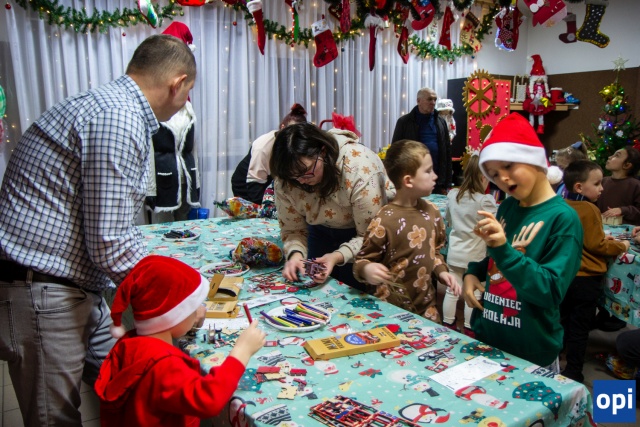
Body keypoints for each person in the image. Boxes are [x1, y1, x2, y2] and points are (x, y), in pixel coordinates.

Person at [0, 35, 197, 426]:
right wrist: (182, 297)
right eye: (188, 92)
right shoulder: (119, 117)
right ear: (177, 83)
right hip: (44, 291)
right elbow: (110, 243)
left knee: (129, 381)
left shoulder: (107, 105)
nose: (186, 102)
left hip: (75, 286)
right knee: (54, 419)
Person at [462, 112, 583, 369]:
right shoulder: (508, 207)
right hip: (490, 338)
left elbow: (550, 290)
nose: (502, 178)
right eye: (494, 174)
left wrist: (503, 249)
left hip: (531, 351)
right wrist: (473, 273)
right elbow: (496, 260)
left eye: (508, 165)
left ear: (534, 160)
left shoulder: (563, 219)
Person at [95, 255, 266, 426]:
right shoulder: (164, 365)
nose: (199, 310)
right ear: (173, 316)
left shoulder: (130, 343)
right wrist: (242, 351)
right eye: (192, 307)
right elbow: (209, 399)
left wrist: (187, 319)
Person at [269, 122, 394, 292]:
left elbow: (369, 236)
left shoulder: (359, 168)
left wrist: (336, 256)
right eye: (293, 177)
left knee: (357, 292)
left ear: (323, 151)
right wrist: (295, 254)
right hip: (319, 231)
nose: (301, 181)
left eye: (307, 171)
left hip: (361, 236)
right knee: (318, 290)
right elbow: (292, 229)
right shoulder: (286, 178)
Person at [353, 140, 460, 321]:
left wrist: (442, 271)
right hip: (389, 311)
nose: (435, 176)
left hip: (427, 308)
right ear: (408, 181)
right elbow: (362, 260)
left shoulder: (433, 212)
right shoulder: (384, 219)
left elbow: (435, 252)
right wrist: (367, 269)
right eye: (428, 171)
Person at [560, 160, 629, 383]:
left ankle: (556, 358)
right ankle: (573, 372)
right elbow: (597, 246)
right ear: (579, 187)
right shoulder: (590, 208)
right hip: (586, 278)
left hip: (565, 276)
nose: (602, 188)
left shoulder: (562, 204)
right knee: (580, 327)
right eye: (597, 184)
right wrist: (621, 246)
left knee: (563, 319)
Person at [147, 22, 201, 223]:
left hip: (185, 179)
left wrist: (196, 181)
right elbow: (149, 152)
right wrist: (150, 190)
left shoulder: (188, 109)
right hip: (162, 181)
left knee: (187, 228)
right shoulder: (153, 108)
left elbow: (192, 149)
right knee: (161, 229)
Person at [443, 154, 497, 335]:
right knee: (473, 293)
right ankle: (469, 328)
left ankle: (448, 324)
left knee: (452, 291)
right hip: (475, 255)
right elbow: (494, 226)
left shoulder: (453, 195)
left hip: (455, 252)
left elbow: (448, 220)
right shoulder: (485, 200)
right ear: (483, 177)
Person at [231, 104, 308, 204]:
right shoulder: (263, 146)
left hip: (267, 179)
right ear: (282, 127)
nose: (293, 137)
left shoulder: (295, 144)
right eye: (290, 132)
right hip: (246, 184)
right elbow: (255, 182)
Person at [391, 87, 452, 195]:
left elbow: (447, 151)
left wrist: (447, 182)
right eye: (429, 99)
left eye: (435, 99)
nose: (433, 102)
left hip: (437, 180)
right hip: (412, 180)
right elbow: (395, 152)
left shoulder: (441, 122)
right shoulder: (404, 122)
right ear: (418, 101)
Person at [597, 146, 640, 226]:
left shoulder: (636, 185)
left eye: (617, 155)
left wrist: (622, 210)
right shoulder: (603, 181)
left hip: (626, 230)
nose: (609, 157)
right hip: (602, 227)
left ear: (627, 165)